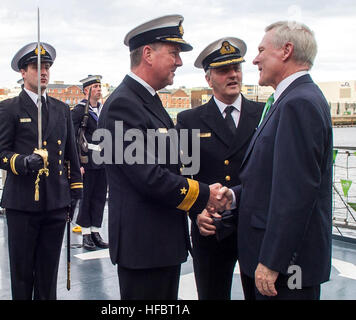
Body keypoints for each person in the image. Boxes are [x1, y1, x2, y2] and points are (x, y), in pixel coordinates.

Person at [97, 14, 224, 300]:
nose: (179, 62)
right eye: (174, 53)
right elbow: (148, 177)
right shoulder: (122, 105)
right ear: (148, 54)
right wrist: (205, 195)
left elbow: (173, 163)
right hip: (143, 248)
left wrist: (196, 207)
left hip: (160, 243)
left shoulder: (148, 100)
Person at [215, 21, 333, 300]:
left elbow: (295, 194)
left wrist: (272, 262)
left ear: (286, 51)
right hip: (278, 261)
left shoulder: (298, 103)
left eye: (261, 50)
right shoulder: (289, 100)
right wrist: (232, 196)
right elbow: (272, 180)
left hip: (286, 268)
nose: (254, 59)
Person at [0, 42, 83, 300]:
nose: (43, 72)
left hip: (55, 203)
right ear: (23, 72)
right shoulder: (9, 108)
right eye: (36, 67)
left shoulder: (61, 109)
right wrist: (22, 162)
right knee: (22, 275)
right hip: (22, 204)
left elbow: (71, 156)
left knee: (48, 273)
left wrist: (75, 193)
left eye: (46, 67)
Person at [176, 37, 263, 300]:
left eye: (237, 68)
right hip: (210, 227)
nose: (233, 75)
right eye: (224, 70)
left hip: (253, 225)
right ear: (208, 78)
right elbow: (182, 174)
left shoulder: (263, 113)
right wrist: (195, 213)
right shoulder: (189, 119)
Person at [71, 75, 108, 251]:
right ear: (86, 90)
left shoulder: (104, 109)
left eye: (100, 86)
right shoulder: (79, 111)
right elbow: (71, 138)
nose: (99, 89)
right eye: (95, 86)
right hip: (87, 159)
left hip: (103, 159)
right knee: (86, 198)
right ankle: (85, 233)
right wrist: (77, 164)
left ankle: (96, 231)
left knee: (99, 197)